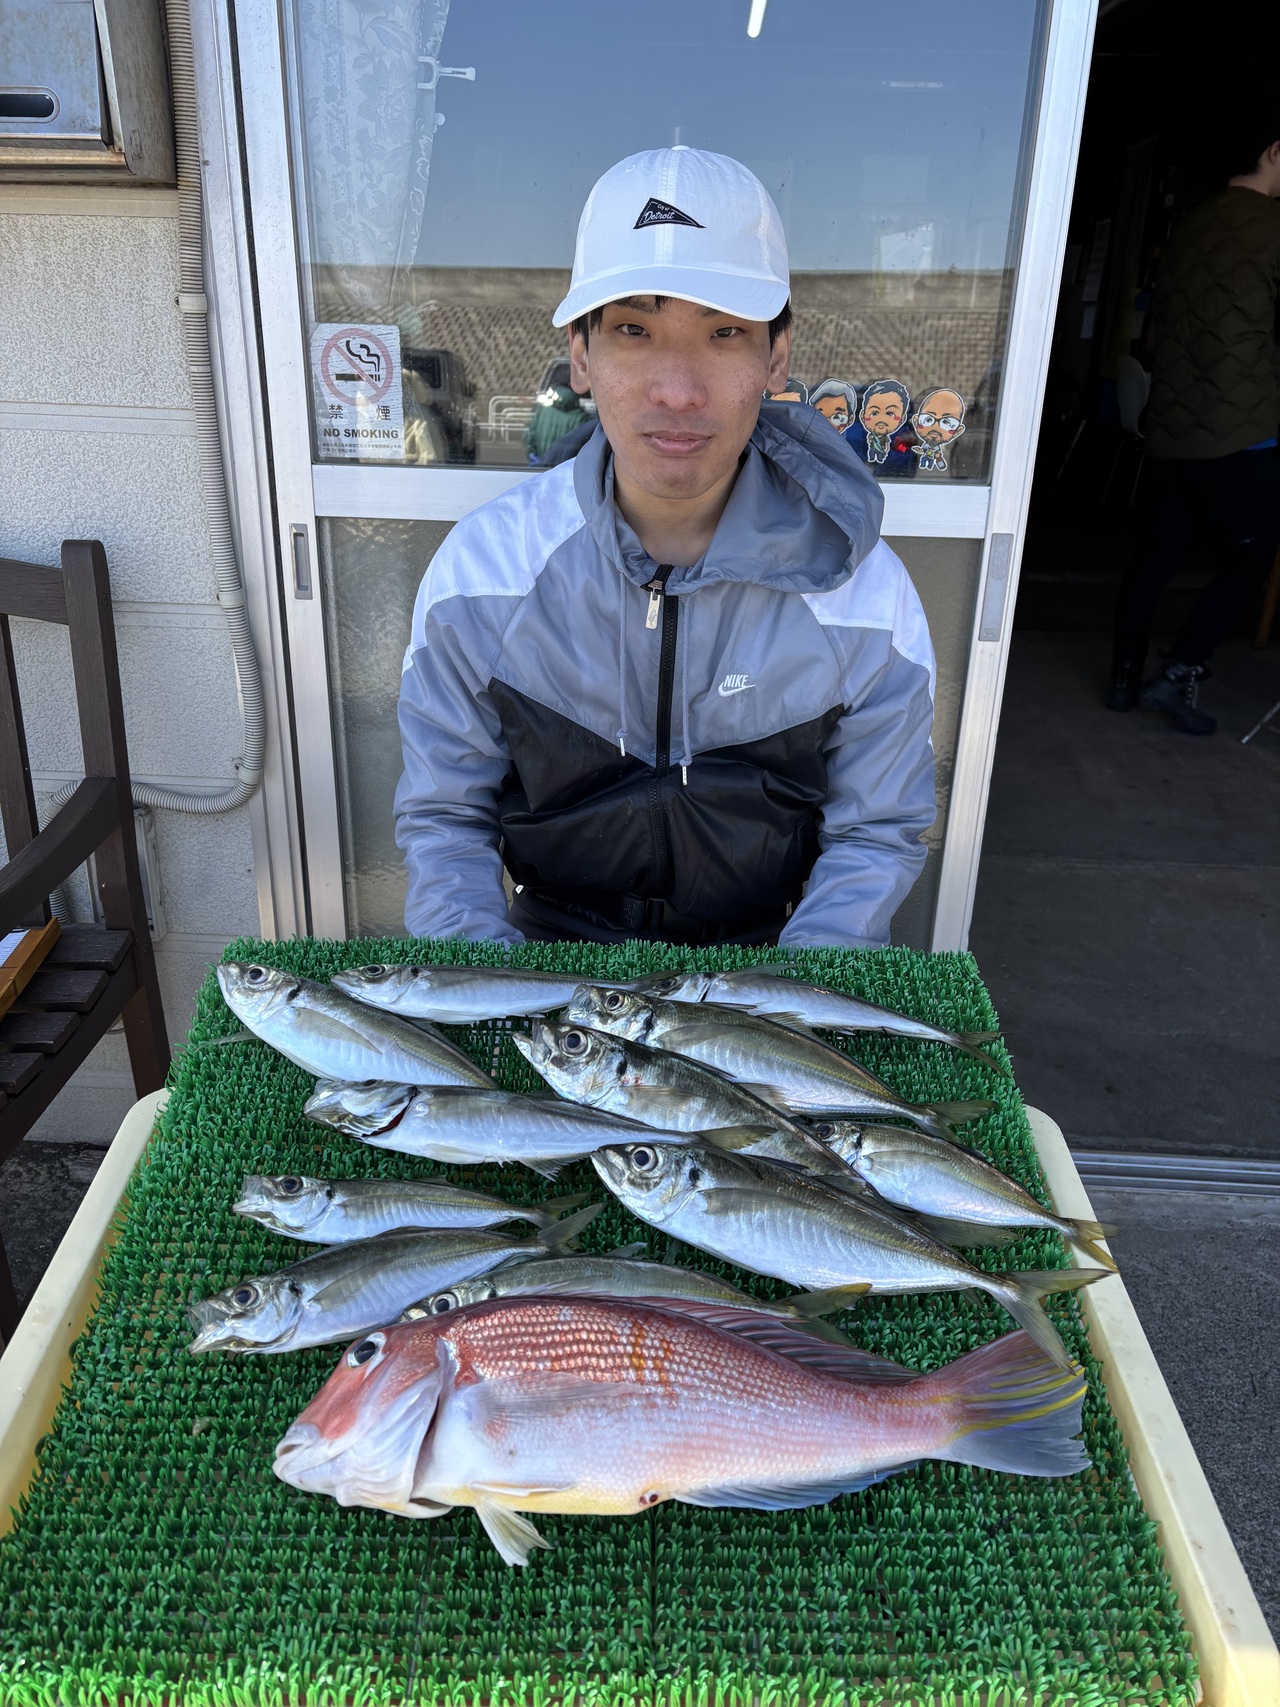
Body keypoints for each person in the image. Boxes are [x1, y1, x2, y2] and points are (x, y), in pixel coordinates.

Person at [395, 147, 936, 946]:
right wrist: (495, 991)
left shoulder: (863, 593)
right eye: (633, 329)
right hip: (545, 951)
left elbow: (874, 835)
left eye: (724, 332)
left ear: (776, 356)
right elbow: (446, 821)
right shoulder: (484, 573)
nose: (678, 390)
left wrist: (789, 999)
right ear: (580, 355)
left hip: (765, 958)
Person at [1107, 126, 1280, 734]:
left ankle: (1123, 678)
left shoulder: (1186, 227)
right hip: (1241, 429)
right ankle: (1177, 673)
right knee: (1250, 559)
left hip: (1170, 426)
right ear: (1275, 152)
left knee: (1153, 559)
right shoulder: (1272, 227)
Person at [523, 379, 592, 466]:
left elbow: (528, 435)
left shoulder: (541, 410)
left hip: (540, 465)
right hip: (564, 468)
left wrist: (532, 453)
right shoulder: (581, 418)